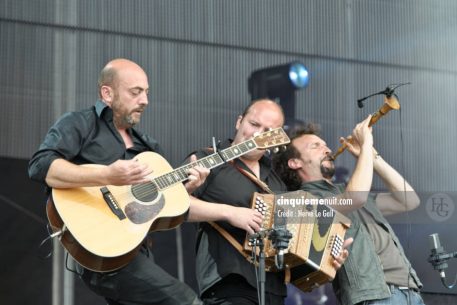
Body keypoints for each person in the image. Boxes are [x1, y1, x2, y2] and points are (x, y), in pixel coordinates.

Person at [28, 58, 210, 305]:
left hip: (136, 249)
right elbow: (40, 166)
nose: (145, 100)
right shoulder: (80, 124)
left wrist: (186, 187)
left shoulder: (148, 147)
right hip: (102, 251)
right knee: (187, 301)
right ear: (107, 93)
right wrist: (106, 175)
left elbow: (164, 202)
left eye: (146, 93)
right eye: (135, 92)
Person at [186, 99, 351, 305]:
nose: (257, 135)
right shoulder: (207, 159)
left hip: (274, 290)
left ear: (275, 139)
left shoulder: (277, 181)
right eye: (254, 125)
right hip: (229, 283)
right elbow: (172, 205)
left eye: (267, 131)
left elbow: (292, 245)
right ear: (239, 122)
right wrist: (229, 212)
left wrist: (327, 259)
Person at [273, 117, 425, 305]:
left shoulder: (345, 191)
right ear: (295, 162)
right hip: (374, 297)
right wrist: (366, 143)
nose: (327, 149)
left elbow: (408, 201)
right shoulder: (305, 201)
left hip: (409, 292)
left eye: (325, 145)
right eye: (315, 146)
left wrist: (372, 156)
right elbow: (356, 198)